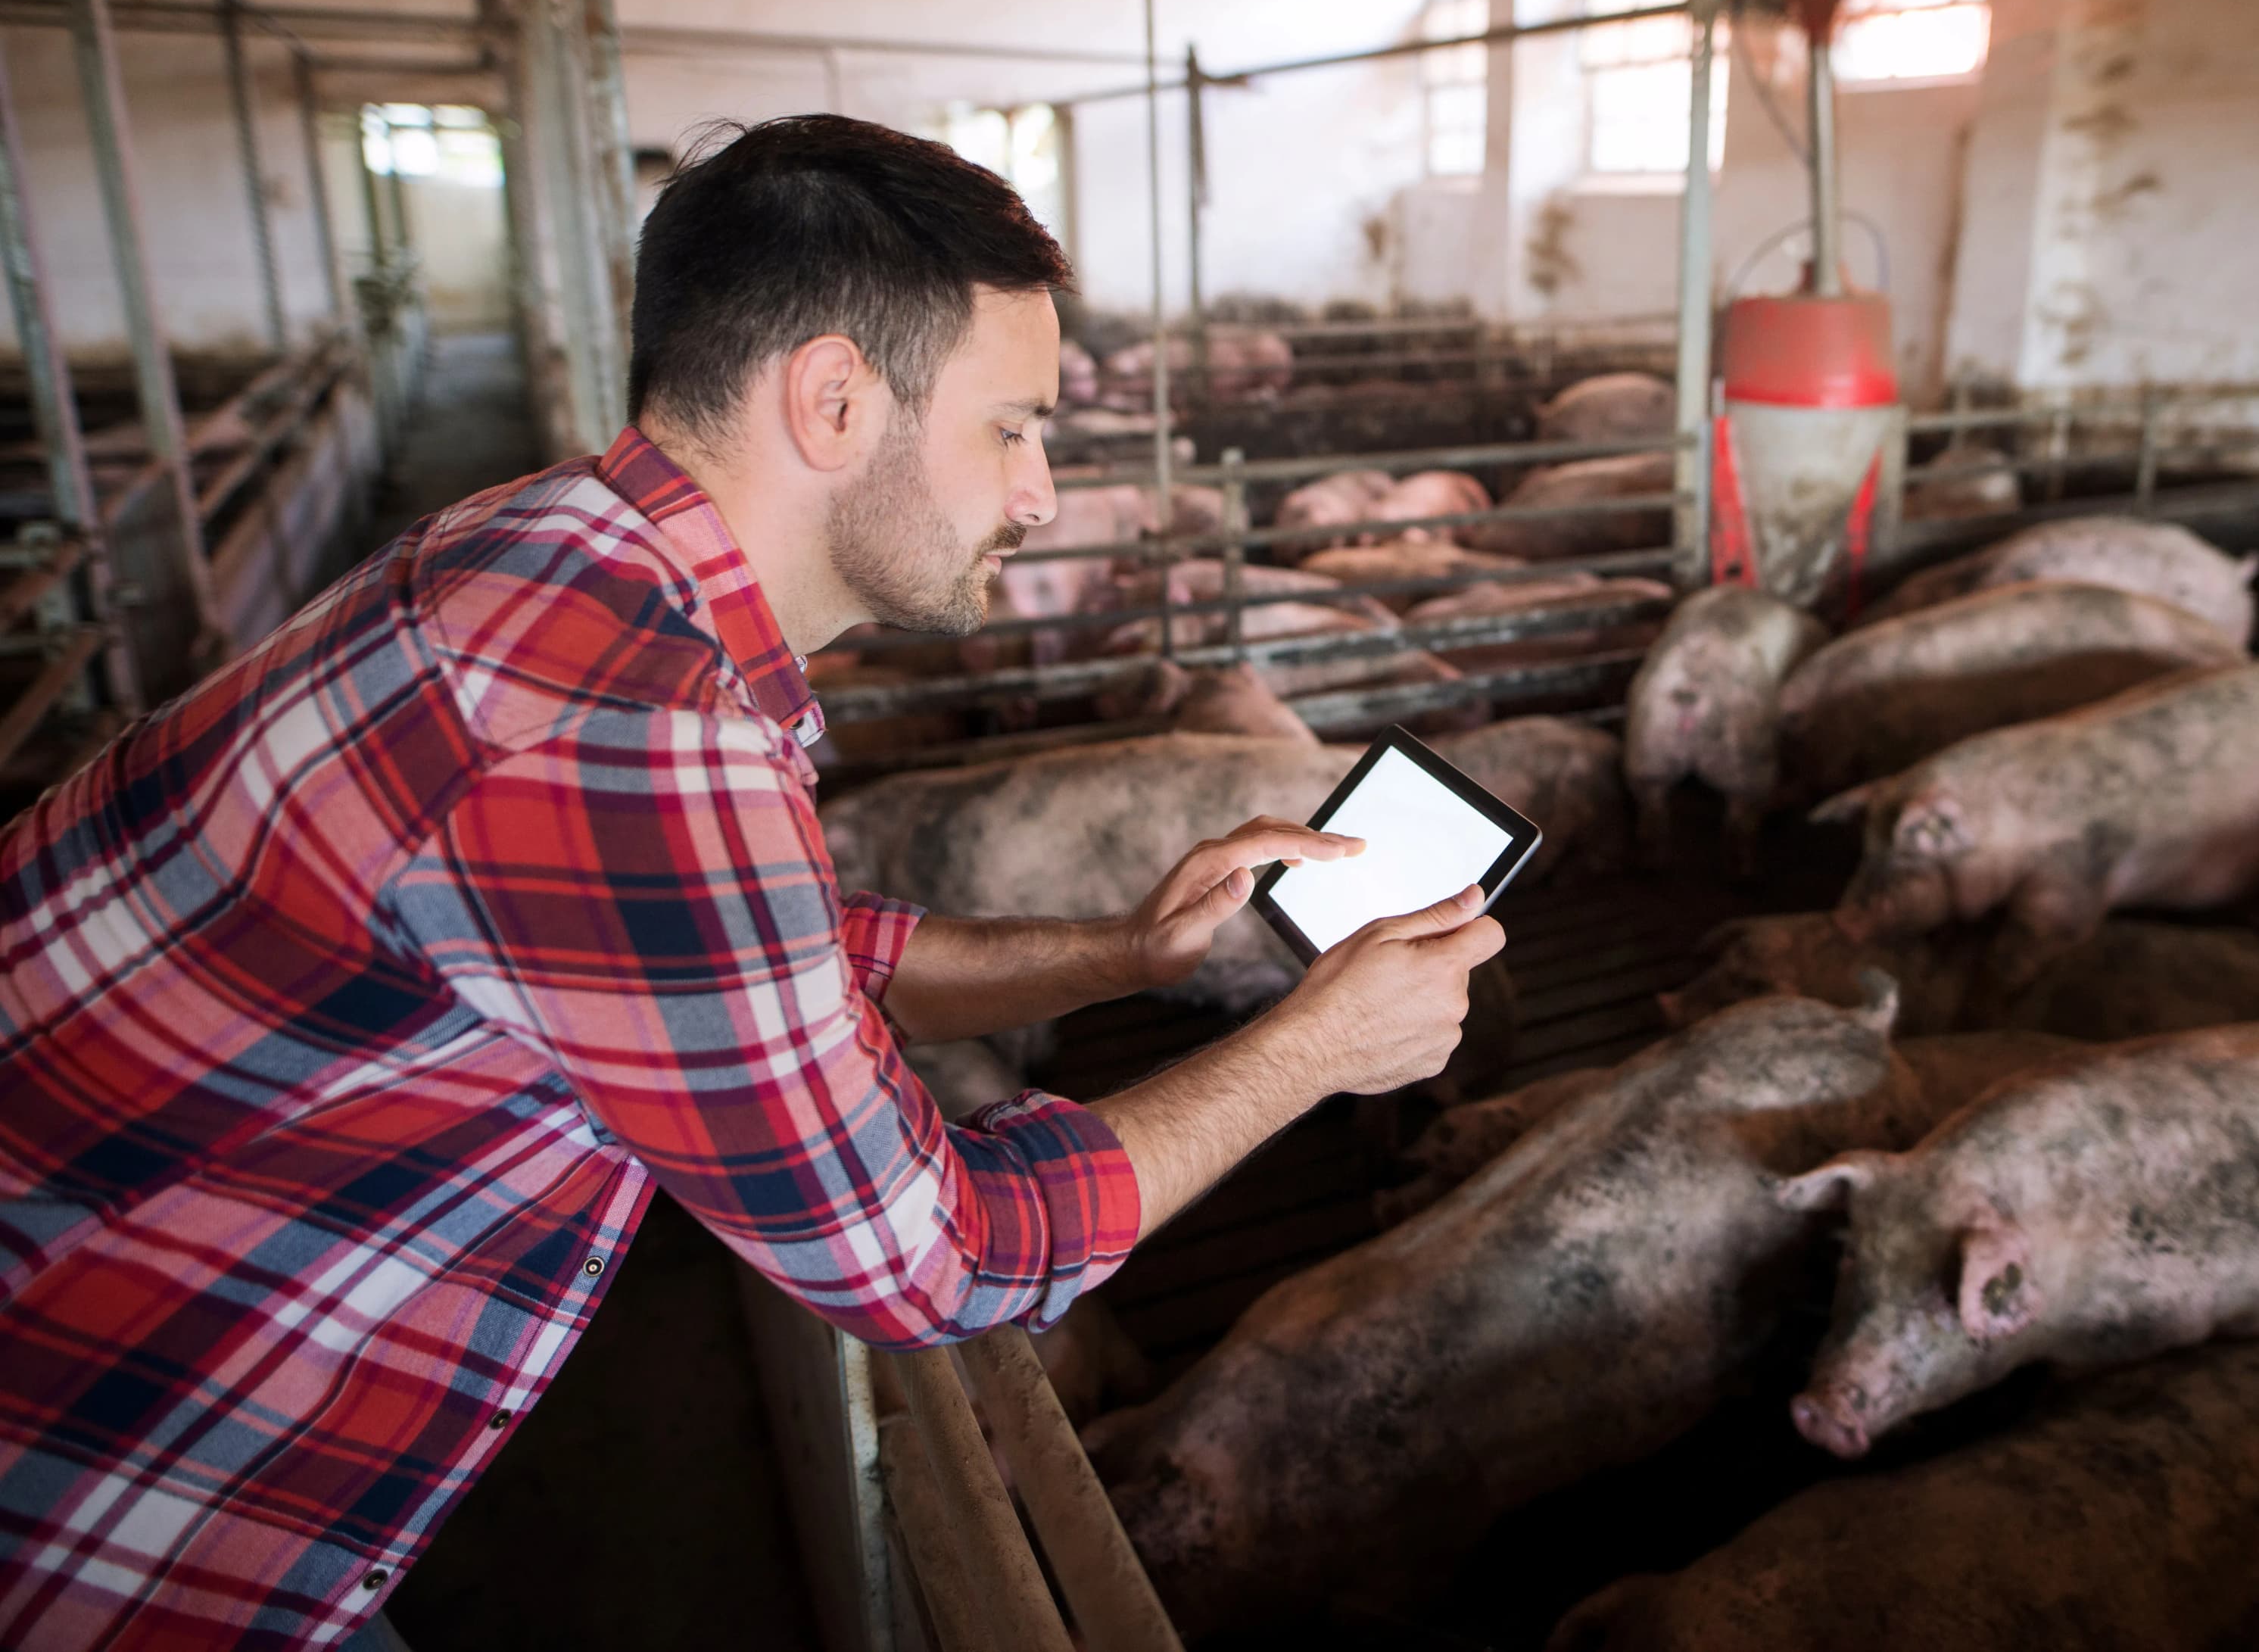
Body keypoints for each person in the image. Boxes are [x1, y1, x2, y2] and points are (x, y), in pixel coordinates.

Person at [0, 115, 1502, 1650]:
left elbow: (751, 952)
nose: (1043, 490)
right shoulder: (641, 733)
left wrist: (1120, 953)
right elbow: (944, 1258)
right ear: (835, 398)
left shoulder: (542, 553)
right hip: (116, 1510)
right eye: (1012, 426)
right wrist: (1318, 1045)